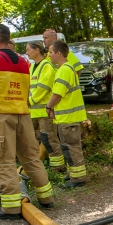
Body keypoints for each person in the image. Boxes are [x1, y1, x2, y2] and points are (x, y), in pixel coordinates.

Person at [0, 24, 55, 219]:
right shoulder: (23, 61)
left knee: (3, 160)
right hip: (24, 115)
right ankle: (47, 198)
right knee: (31, 157)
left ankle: (10, 208)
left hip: (1, 115)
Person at [46, 40, 87, 188]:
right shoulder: (69, 68)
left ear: (58, 53)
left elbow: (57, 94)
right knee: (70, 148)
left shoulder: (63, 70)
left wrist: (48, 106)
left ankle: (78, 179)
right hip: (70, 118)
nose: (49, 55)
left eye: (50, 52)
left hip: (68, 119)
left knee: (71, 148)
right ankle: (74, 175)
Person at [26, 40, 65, 170]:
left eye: (28, 50)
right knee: (31, 139)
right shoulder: (32, 67)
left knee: (49, 139)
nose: (26, 53)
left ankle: (58, 166)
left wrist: (30, 100)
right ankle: (36, 165)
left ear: (36, 50)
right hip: (34, 112)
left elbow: (43, 88)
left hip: (44, 112)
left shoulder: (46, 66)